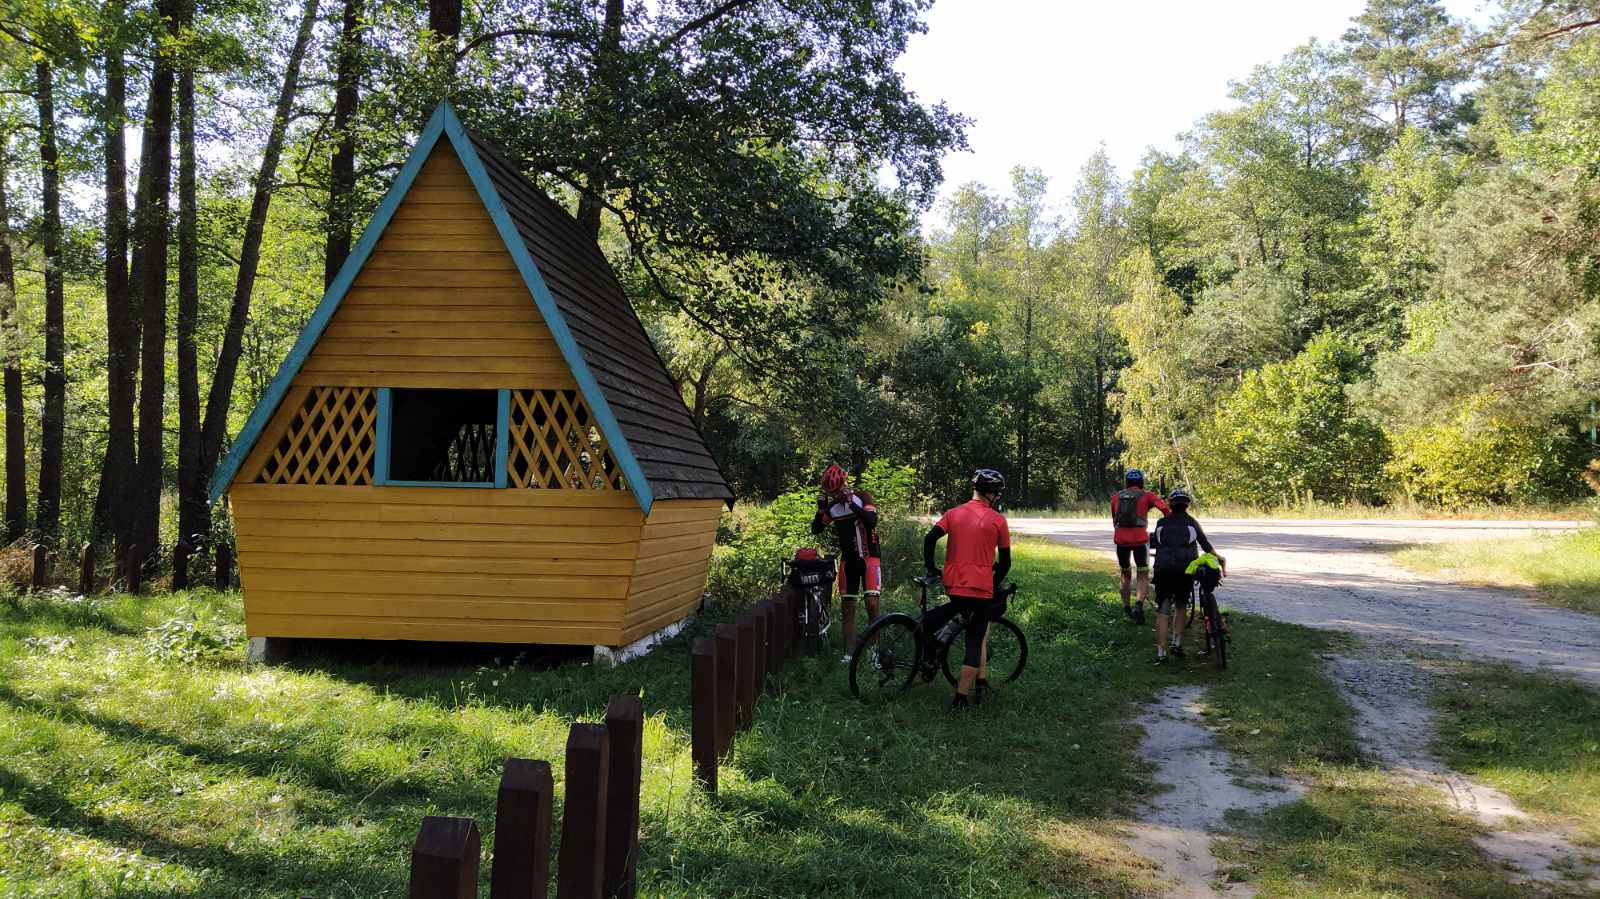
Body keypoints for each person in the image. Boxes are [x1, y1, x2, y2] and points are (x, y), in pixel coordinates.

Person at [922, 468, 1011, 711]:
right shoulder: (998, 521)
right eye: (997, 492)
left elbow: (929, 539)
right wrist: (994, 583)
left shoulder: (953, 513)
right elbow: (1005, 563)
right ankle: (960, 698)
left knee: (942, 616)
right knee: (974, 640)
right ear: (991, 493)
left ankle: (931, 649)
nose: (998, 496)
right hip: (981, 590)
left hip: (954, 585)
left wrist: (931, 568)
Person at [812, 463, 882, 661]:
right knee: (848, 606)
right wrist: (821, 509)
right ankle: (850, 653)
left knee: (872, 603)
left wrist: (851, 504)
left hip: (870, 556)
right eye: (832, 493)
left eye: (837, 491)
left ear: (845, 483)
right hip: (848, 560)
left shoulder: (863, 496)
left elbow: (871, 521)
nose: (836, 495)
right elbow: (816, 529)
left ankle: (875, 652)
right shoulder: (833, 507)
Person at [1148, 488, 1223, 664]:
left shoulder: (1161, 523)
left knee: (1163, 609)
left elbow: (1155, 544)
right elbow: (1206, 546)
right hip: (1185, 570)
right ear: (1187, 505)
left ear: (1170, 505)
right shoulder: (1192, 523)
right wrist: (1219, 559)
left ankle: (1161, 653)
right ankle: (1176, 643)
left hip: (1163, 569)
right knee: (1181, 605)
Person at [1111, 469, 1169, 624]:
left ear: (1126, 482)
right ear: (1141, 482)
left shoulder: (1116, 497)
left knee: (1125, 573)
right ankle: (1138, 606)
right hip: (1140, 541)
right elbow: (1165, 509)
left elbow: (1114, 519)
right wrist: (1169, 523)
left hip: (1121, 541)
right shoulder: (1147, 495)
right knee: (1142, 574)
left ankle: (1126, 608)